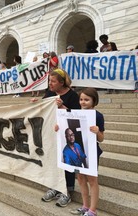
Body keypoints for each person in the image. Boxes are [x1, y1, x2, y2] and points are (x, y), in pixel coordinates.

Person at [41, 68, 80, 207]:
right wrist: (36, 102)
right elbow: (43, 106)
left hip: (68, 135)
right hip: (52, 133)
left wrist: (62, 106)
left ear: (62, 82)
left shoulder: (73, 96)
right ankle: (55, 186)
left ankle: (67, 191)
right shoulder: (50, 93)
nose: (50, 84)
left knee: (67, 160)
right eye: (49, 81)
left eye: (53, 81)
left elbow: (77, 115)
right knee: (54, 159)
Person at [70, 87, 104, 216]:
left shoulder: (98, 116)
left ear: (94, 101)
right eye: (81, 99)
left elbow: (101, 139)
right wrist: (59, 127)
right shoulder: (75, 113)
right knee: (80, 179)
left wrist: (97, 132)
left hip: (92, 152)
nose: (83, 102)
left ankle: (92, 210)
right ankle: (85, 206)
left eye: (86, 100)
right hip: (78, 152)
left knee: (92, 180)